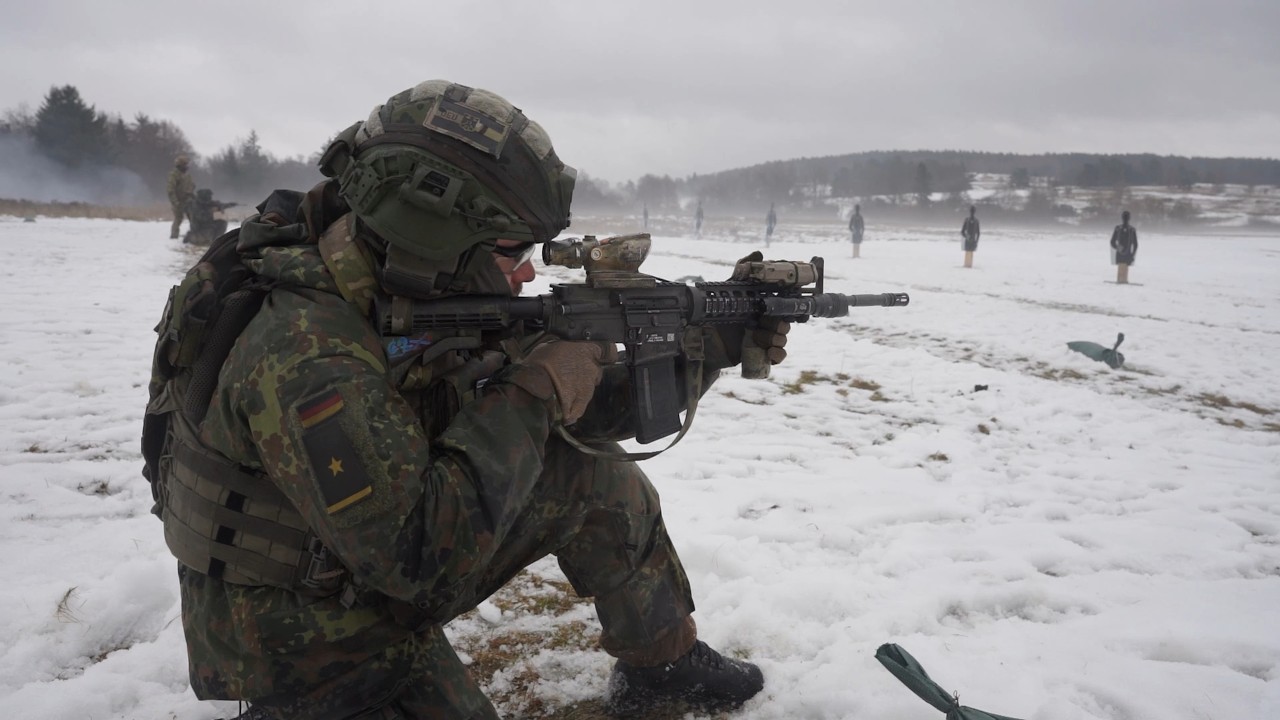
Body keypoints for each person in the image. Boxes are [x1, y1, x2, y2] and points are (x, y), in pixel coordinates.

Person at [143, 80, 779, 720]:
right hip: (299, 623)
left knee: (593, 472)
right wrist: (534, 392)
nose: (528, 272)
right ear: (432, 235)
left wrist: (706, 348)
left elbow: (578, 413)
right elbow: (418, 556)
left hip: (371, 554)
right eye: (510, 250)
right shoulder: (308, 352)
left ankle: (662, 662)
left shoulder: (409, 284)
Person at [166, 155, 196, 239]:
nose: (187, 166)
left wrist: (193, 197)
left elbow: (192, 186)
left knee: (193, 218)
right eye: (185, 164)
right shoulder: (174, 175)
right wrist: (175, 202)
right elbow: (170, 190)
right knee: (178, 218)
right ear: (180, 165)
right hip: (178, 201)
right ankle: (174, 236)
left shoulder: (187, 176)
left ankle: (195, 234)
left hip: (188, 200)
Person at [1110, 210, 1138, 283]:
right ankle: (1121, 280)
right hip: (1120, 254)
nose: (1125, 219)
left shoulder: (1132, 230)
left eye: (1127, 217)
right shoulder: (1118, 228)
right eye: (1124, 217)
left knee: (1124, 268)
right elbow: (1112, 242)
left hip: (1128, 254)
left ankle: (1123, 280)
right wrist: (1119, 249)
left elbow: (1135, 244)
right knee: (1121, 267)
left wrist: (1132, 255)